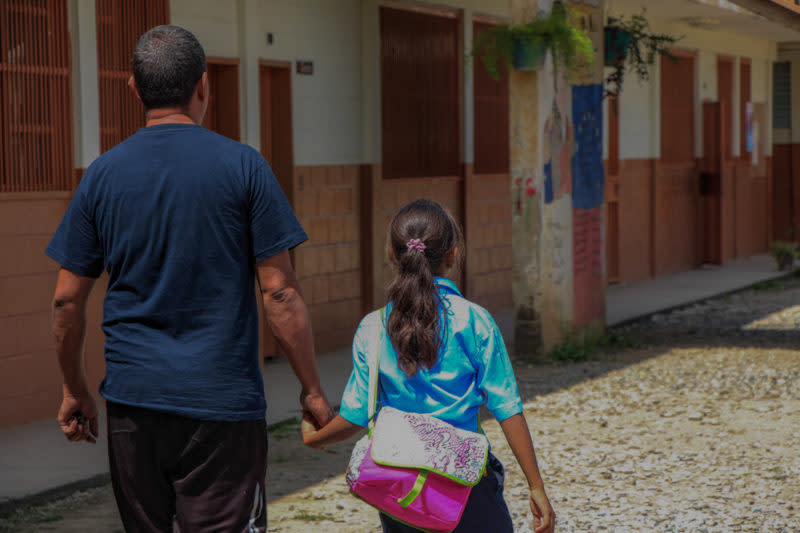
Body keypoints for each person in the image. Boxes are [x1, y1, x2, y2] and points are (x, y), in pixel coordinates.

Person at [46, 25, 333, 532]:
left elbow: (66, 301)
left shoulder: (102, 175)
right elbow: (281, 291)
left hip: (134, 405)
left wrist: (75, 388)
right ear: (204, 85)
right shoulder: (245, 167)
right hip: (222, 406)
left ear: (133, 89)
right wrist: (311, 388)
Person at [301, 199, 555, 533]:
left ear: (392, 254)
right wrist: (535, 484)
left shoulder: (373, 327)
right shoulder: (474, 321)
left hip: (400, 486)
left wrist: (316, 438)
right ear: (453, 255)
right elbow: (507, 407)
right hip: (465, 482)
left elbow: (357, 414)